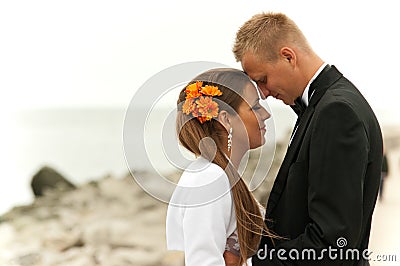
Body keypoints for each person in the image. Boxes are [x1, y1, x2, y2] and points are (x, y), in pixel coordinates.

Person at [233, 12, 383, 265]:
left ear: (288, 56)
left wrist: (251, 264)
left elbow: (333, 242)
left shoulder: (337, 112)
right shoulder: (322, 105)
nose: (264, 93)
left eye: (262, 80)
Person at [166, 68, 279, 265]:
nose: (266, 114)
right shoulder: (209, 178)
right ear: (226, 119)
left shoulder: (219, 174)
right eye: (255, 107)